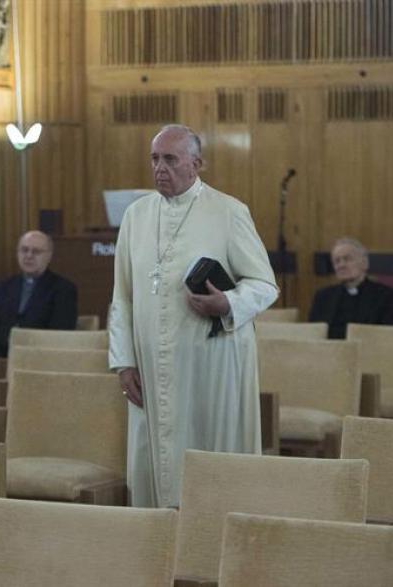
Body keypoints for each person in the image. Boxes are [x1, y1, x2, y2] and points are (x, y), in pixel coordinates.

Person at [109, 124, 278, 508]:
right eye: (154, 159)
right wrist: (123, 363)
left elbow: (265, 285)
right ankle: (158, 545)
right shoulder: (136, 216)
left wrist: (229, 303)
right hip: (152, 367)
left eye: (170, 159)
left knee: (207, 452)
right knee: (155, 461)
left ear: (197, 164)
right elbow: (121, 298)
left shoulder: (229, 212)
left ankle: (210, 544)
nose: (159, 168)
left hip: (211, 362)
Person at [0, 230, 78, 358]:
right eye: (24, 250)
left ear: (49, 256)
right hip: (2, 359)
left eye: (36, 251)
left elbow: (61, 335)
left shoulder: (64, 289)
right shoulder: (2, 287)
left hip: (43, 359)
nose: (29, 255)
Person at [308, 237, 393, 339]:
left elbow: (388, 338)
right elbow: (313, 334)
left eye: (347, 259)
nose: (341, 265)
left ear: (365, 263)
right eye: (337, 261)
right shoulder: (323, 297)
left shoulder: (386, 296)